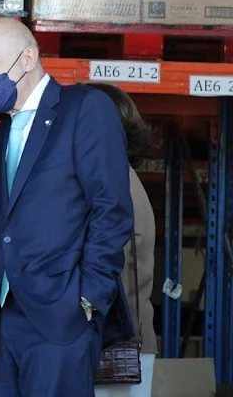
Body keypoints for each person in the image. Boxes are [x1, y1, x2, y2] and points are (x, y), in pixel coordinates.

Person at [0, 18, 135, 397]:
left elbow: (111, 209)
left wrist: (87, 299)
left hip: (63, 319)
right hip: (4, 322)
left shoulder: (85, 109)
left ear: (27, 58)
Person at [87, 83, 156, 397]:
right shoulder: (124, 177)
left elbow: (104, 263)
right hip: (130, 347)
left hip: (113, 348)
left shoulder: (111, 186)